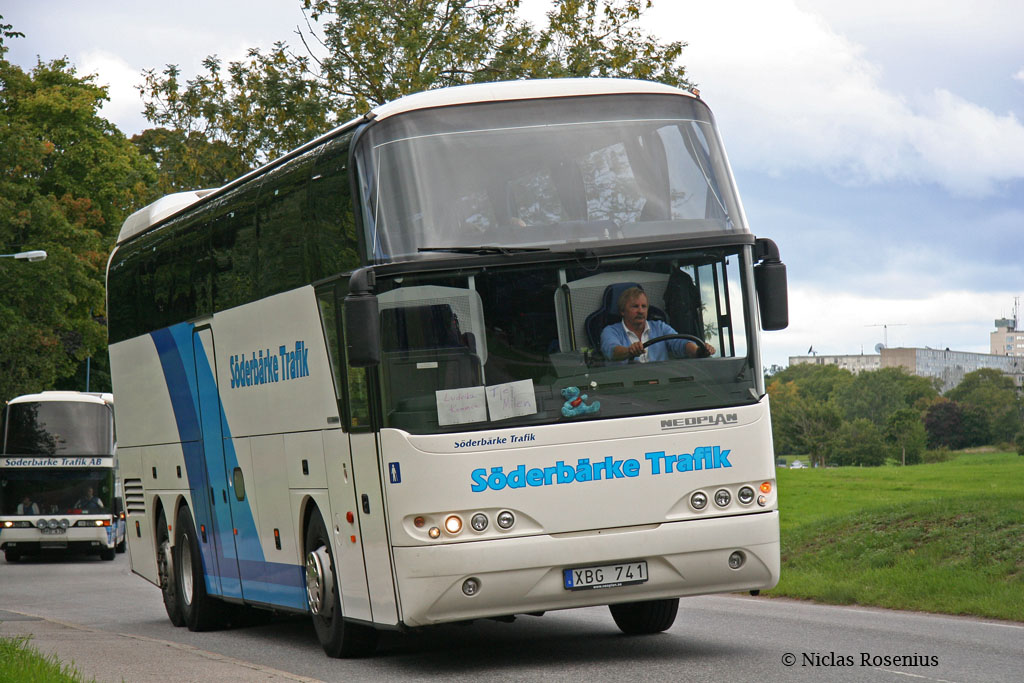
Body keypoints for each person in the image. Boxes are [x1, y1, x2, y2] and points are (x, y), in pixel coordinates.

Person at [600, 286, 715, 364]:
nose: (640, 311)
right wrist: (629, 351)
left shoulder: (660, 327)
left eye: (644, 306)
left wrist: (698, 351)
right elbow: (612, 351)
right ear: (622, 311)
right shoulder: (610, 331)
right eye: (635, 306)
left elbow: (680, 342)